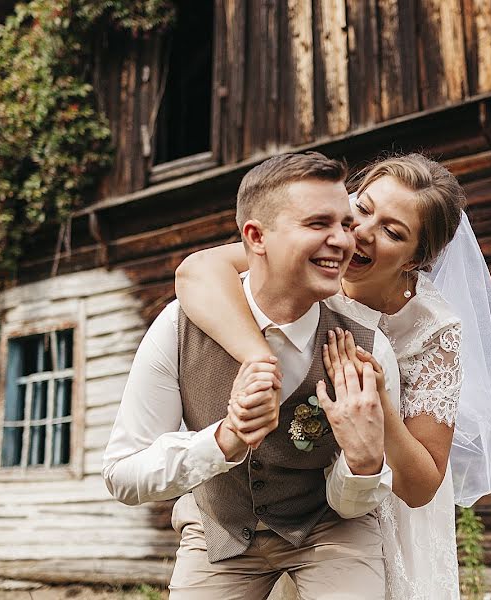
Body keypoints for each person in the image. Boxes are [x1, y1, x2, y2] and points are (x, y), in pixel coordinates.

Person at [175, 153, 491, 599]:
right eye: (363, 208)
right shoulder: (311, 261)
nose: (360, 233)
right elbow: (196, 271)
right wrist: (260, 360)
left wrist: (380, 412)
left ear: (416, 260)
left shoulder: (432, 330)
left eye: (392, 232)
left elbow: (422, 486)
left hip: (378, 508)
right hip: (285, 493)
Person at [102, 152, 403, 600]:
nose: (343, 241)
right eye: (318, 224)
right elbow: (121, 474)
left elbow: (353, 505)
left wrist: (362, 464)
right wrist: (223, 440)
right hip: (218, 531)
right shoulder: (177, 327)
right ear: (256, 236)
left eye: (345, 224)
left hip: (329, 531)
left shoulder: (366, 348)